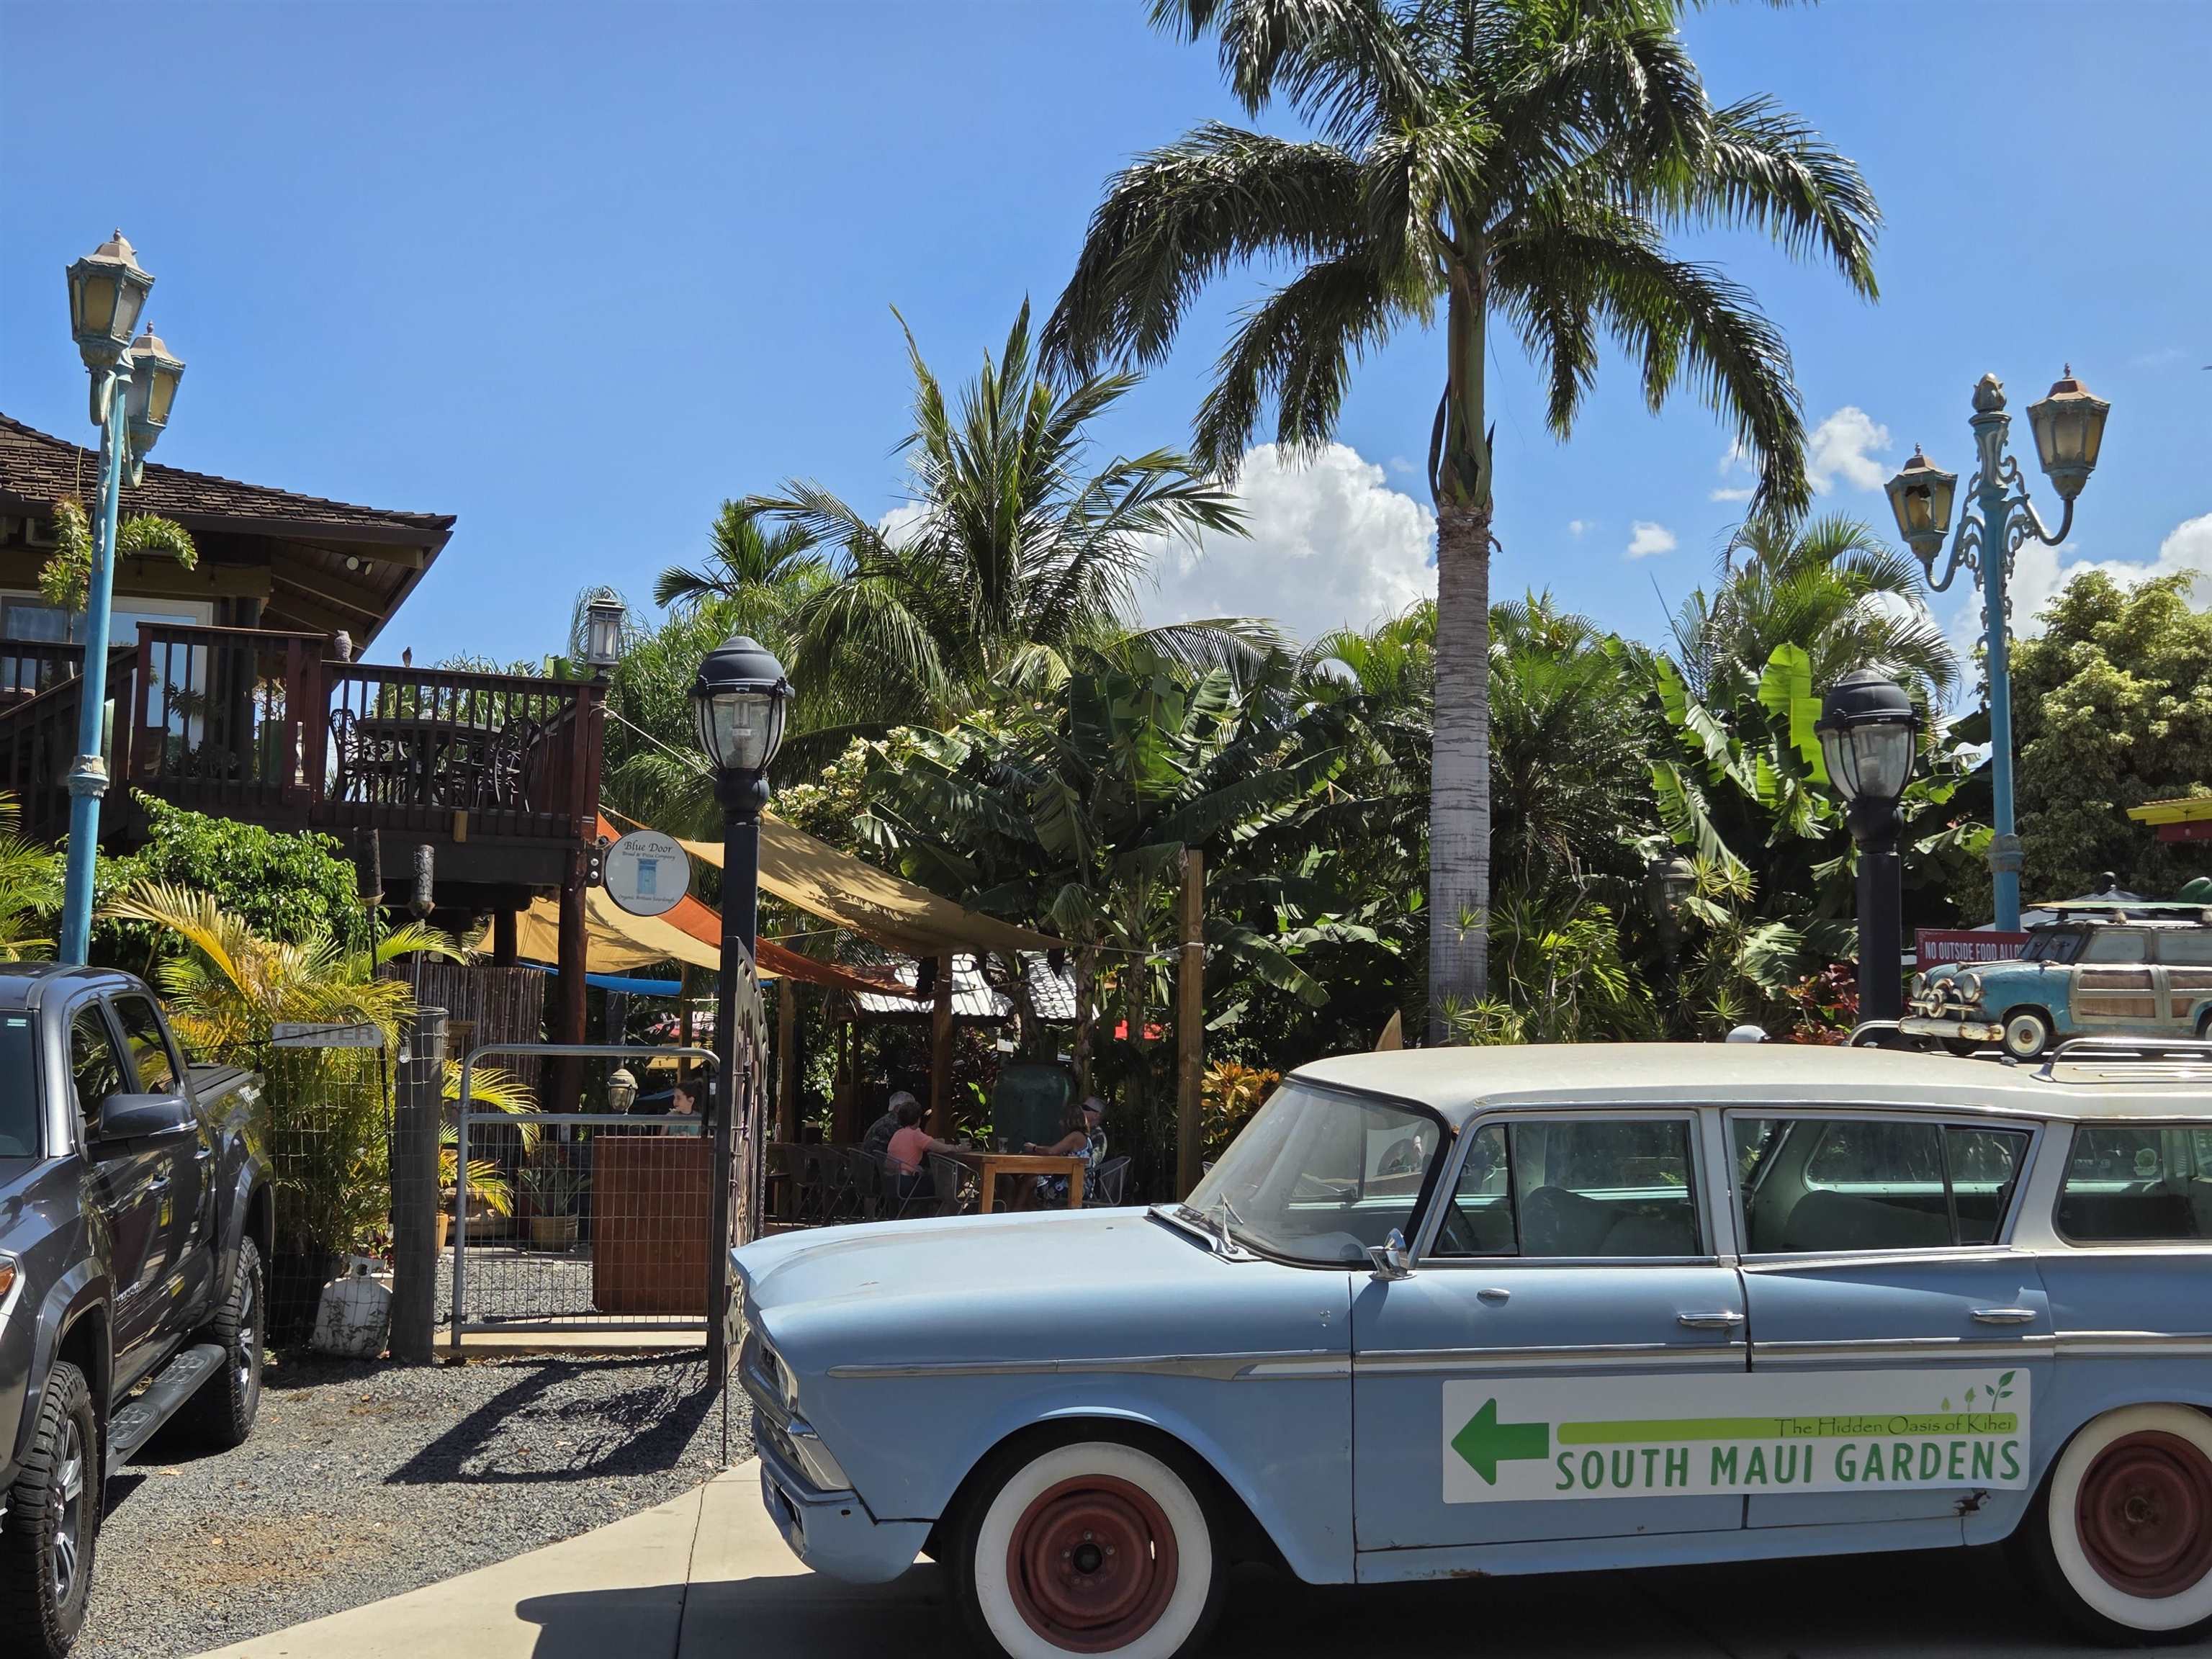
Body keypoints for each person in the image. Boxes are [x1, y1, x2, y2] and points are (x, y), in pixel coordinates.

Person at [1027, 1095, 1106, 1206]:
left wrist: (1035, 1148)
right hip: (1066, 1178)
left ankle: (1014, 1214)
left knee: (1029, 1183)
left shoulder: (1095, 1136)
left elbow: (1088, 1162)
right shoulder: (1082, 1134)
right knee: (1029, 1180)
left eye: (1085, 1108)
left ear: (1097, 1115)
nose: (1081, 1110)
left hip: (1077, 1184)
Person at [884, 1096, 963, 1202]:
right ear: (918, 1120)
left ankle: (914, 1214)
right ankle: (945, 1213)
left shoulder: (897, 1134)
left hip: (892, 1182)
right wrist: (958, 1148)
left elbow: (930, 1143)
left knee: (927, 1177)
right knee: (942, 1185)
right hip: (907, 1184)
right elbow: (941, 1148)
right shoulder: (916, 1134)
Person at [860, 1093, 911, 1161]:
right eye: (910, 1108)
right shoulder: (894, 1124)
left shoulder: (886, 1120)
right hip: (878, 1168)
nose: (913, 1112)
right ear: (898, 1108)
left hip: (869, 1165)